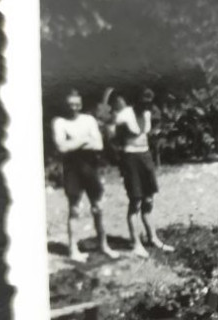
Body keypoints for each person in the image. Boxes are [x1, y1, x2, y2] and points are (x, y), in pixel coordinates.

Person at [51, 89, 118, 263]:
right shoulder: (59, 122)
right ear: (65, 105)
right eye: (70, 104)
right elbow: (62, 148)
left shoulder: (88, 119)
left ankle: (104, 245)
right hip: (72, 169)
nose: (74, 108)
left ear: (81, 104)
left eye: (77, 104)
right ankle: (73, 250)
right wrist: (84, 139)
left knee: (98, 207)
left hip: (90, 167)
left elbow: (98, 144)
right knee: (74, 209)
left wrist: (73, 142)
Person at [109, 89, 173, 257]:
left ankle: (153, 238)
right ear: (136, 101)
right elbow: (114, 139)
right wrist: (121, 161)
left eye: (149, 103)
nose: (147, 105)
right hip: (130, 159)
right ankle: (136, 243)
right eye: (144, 102)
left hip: (146, 157)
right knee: (135, 201)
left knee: (149, 200)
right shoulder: (124, 115)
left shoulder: (147, 114)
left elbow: (150, 132)